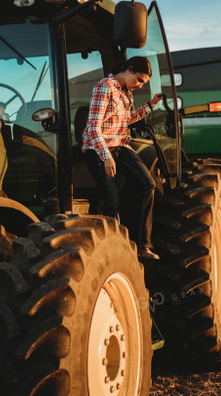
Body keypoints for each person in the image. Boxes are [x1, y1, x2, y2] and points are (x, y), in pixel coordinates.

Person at [81, 56, 164, 260]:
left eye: (142, 83)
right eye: (139, 80)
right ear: (129, 69)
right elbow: (93, 127)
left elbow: (127, 119)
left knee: (148, 184)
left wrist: (150, 105)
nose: (139, 85)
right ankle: (112, 251)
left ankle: (143, 245)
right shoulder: (104, 87)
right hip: (98, 148)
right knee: (113, 201)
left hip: (119, 145)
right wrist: (106, 156)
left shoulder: (126, 93)